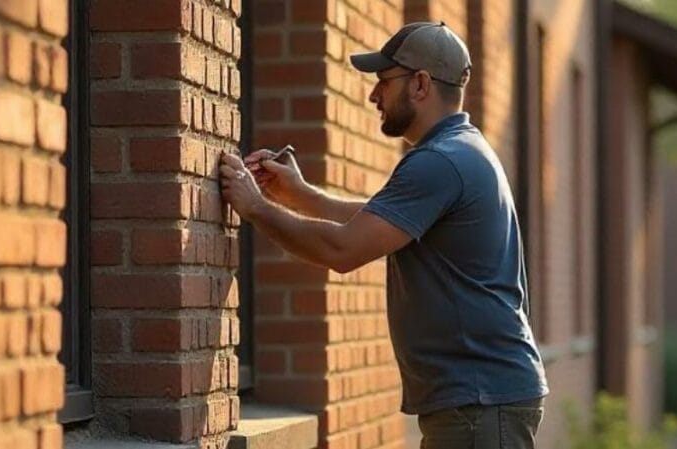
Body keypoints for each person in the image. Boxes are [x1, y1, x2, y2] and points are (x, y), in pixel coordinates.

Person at [219, 22, 548, 449]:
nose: (374, 95)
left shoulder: (440, 161)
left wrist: (256, 207)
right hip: (480, 401)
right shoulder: (460, 151)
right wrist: (300, 196)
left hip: (480, 405)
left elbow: (344, 248)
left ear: (421, 84)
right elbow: (380, 220)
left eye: (384, 81)